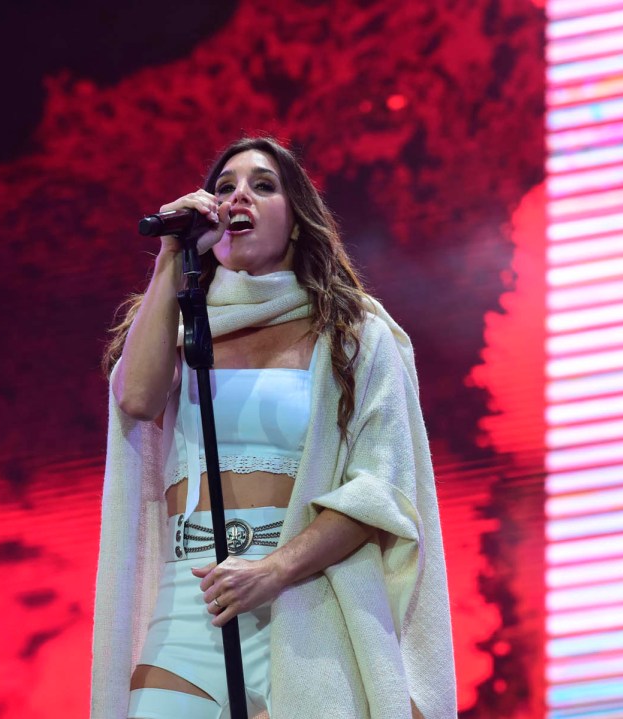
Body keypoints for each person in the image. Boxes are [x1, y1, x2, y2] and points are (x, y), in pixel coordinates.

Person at [90, 137, 455, 719]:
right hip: (193, 605)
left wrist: (273, 571)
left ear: (297, 221)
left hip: (305, 605)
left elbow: (379, 490)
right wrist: (169, 255)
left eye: (263, 186)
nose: (239, 196)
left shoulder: (354, 333)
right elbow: (136, 399)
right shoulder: (179, 331)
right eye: (225, 187)